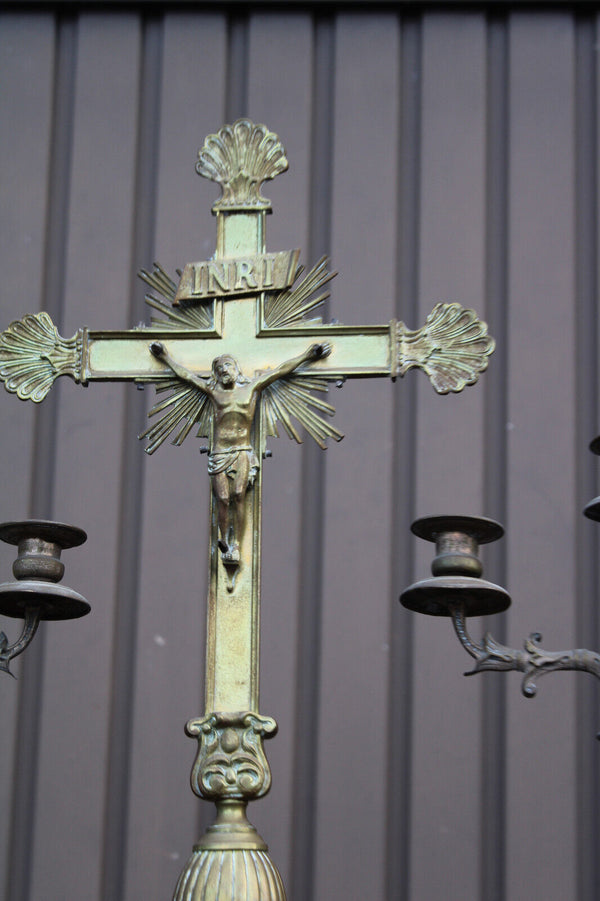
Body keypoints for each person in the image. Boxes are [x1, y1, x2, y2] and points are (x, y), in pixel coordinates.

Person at [150, 341, 331, 563]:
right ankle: (224, 539)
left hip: (242, 450)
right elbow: (187, 376)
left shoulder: (252, 388)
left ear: (236, 368)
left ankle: (236, 544)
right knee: (223, 499)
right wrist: (164, 358)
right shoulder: (214, 393)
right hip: (219, 453)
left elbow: (281, 371)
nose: (224, 370)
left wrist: (307, 355)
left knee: (238, 495)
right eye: (219, 369)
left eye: (227, 365)